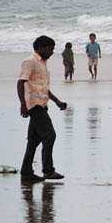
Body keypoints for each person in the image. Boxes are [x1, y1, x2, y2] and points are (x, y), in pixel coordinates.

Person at [17, 35, 68, 183]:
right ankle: (48, 170)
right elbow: (21, 83)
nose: (52, 52)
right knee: (49, 135)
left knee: (33, 141)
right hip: (34, 105)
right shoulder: (30, 61)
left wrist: (57, 101)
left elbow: (43, 88)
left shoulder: (43, 63)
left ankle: (26, 172)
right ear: (40, 47)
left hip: (42, 104)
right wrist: (22, 104)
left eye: (53, 49)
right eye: (50, 48)